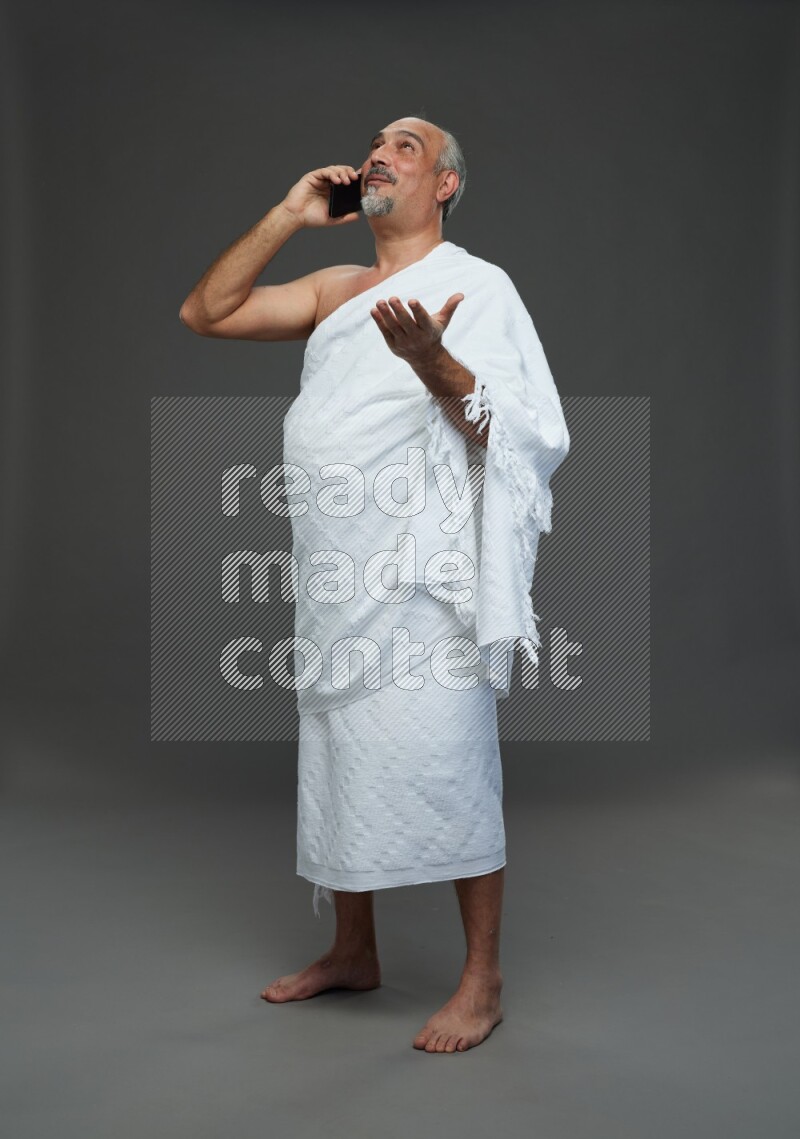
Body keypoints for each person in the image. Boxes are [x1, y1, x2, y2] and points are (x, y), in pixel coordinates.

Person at [179, 115, 570, 1053]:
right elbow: (209, 311)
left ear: (445, 184)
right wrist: (287, 213)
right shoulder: (335, 288)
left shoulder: (480, 288)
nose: (380, 153)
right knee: (340, 746)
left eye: (407, 144)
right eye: (377, 144)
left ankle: (483, 977)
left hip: (422, 572)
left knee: (452, 755)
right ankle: (354, 947)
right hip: (334, 560)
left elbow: (525, 434)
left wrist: (437, 366)